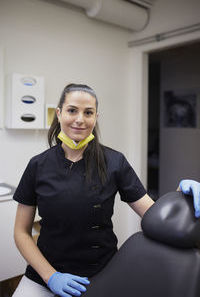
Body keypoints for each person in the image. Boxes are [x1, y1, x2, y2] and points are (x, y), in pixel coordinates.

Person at [12, 83, 200, 297]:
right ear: (59, 113)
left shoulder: (114, 162)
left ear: (96, 117)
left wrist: (180, 197)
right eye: (72, 110)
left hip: (102, 273)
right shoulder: (38, 165)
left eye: (88, 112)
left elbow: (155, 217)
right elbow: (21, 232)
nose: (80, 119)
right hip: (44, 275)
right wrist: (51, 276)